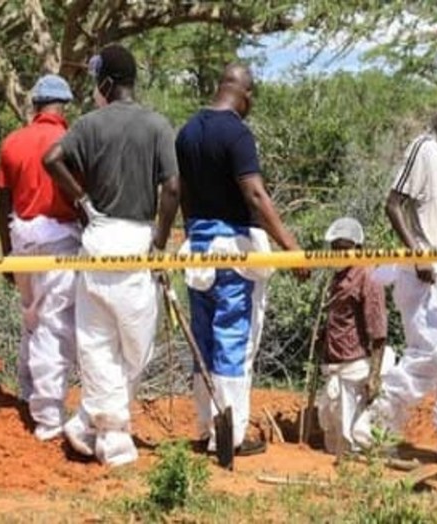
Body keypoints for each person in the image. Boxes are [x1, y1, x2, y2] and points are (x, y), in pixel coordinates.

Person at [43, 44, 181, 466]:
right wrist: (161, 241)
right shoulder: (157, 125)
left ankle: (89, 421)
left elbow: (52, 159)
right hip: (136, 241)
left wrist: (83, 202)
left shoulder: (88, 124)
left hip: (97, 238)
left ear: (107, 82)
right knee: (136, 347)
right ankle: (114, 438)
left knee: (97, 343)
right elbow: (173, 187)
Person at [175, 64, 308, 456]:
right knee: (234, 339)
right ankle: (229, 435)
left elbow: (182, 193)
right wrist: (292, 249)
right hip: (233, 252)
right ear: (246, 95)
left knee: (204, 340)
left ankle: (207, 426)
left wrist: (190, 236)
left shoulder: (187, 132)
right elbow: (254, 194)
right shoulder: (237, 133)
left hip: (198, 250)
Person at [353, 83, 437, 462]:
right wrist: (418, 253)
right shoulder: (423, 149)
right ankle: (372, 430)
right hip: (424, 274)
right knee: (427, 357)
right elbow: (393, 203)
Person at [0, 74, 80, 441]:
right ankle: (48, 417)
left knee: (31, 317)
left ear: (35, 105)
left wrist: (7, 255)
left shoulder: (13, 141)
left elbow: (2, 206)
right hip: (60, 241)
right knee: (54, 325)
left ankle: (29, 393)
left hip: (22, 239)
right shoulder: (71, 141)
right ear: (64, 106)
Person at [316, 217, 389, 456]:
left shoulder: (368, 277)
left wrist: (374, 375)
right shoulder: (337, 277)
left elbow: (378, 331)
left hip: (355, 364)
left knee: (352, 435)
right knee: (331, 425)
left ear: (358, 248)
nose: (338, 253)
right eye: (335, 248)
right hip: (334, 364)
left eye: (343, 248)